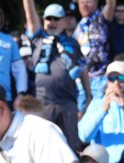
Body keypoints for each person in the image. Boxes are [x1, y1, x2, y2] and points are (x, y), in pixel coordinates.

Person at [22, 0, 88, 154]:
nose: (52, 22)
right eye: (48, 19)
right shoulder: (37, 38)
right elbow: (30, 16)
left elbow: (83, 69)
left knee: (70, 150)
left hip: (68, 105)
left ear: (65, 21)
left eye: (56, 19)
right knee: (43, 149)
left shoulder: (73, 43)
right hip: (42, 103)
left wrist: (88, 96)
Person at [72, 0, 116, 102]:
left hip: (100, 79)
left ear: (96, 2)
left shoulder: (102, 18)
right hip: (81, 80)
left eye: (88, 1)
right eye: (81, 2)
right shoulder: (78, 26)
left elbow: (111, 4)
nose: (84, 5)